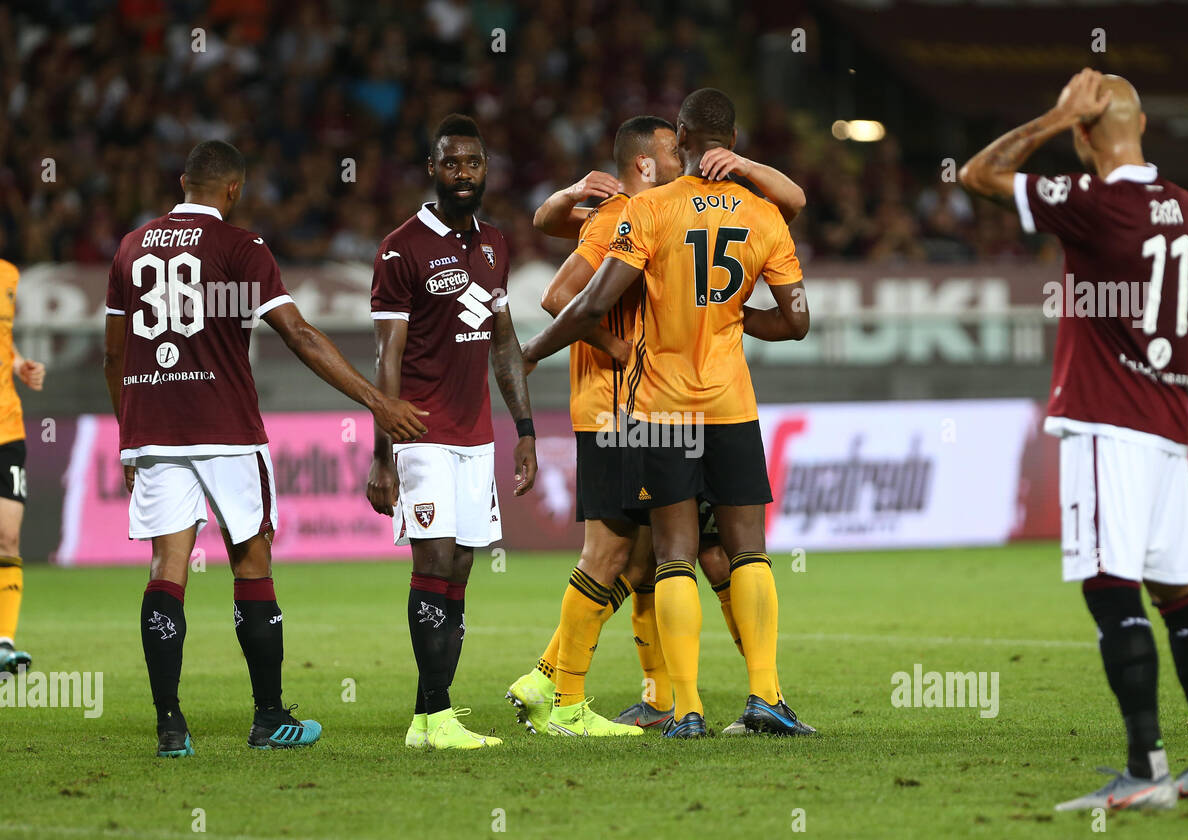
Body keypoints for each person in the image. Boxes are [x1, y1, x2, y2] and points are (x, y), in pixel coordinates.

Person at [959, 69, 1188, 808]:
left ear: (1086, 133)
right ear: (1140, 125)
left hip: (1108, 424)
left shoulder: (1095, 204)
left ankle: (1146, 772)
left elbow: (981, 174)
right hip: (1170, 424)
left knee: (1111, 590)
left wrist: (1051, 116)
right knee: (1181, 594)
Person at [104, 140, 428, 757]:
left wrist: (128, 436)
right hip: (225, 430)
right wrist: (375, 400)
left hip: (153, 429)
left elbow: (113, 355)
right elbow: (301, 335)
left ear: (183, 183)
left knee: (165, 571)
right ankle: (269, 719)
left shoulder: (130, 245)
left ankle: (171, 726)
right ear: (233, 191)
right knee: (251, 563)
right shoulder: (240, 247)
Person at [522, 88, 813, 738]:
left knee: (676, 554)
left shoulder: (649, 210)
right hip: (732, 404)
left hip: (662, 410)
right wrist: (738, 317)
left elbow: (591, 304)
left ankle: (685, 709)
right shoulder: (764, 214)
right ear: (733, 143)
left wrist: (533, 351)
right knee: (748, 553)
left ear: (679, 137)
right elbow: (798, 322)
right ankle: (766, 697)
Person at [365, 114, 537, 751]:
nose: (463, 174)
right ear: (432, 170)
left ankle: (431, 716)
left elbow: (502, 342)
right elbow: (386, 357)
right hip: (419, 432)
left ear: (485, 169)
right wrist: (383, 453)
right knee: (434, 560)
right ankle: (434, 717)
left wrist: (524, 429)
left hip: (477, 436)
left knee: (460, 566)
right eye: (451, 163)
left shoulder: (495, 244)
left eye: (473, 163)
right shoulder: (401, 247)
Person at [0, 259, 44, 675]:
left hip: (7, 428)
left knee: (8, 538)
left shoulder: (9, 275)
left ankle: (4, 644)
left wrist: (18, 364)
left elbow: (4, 341)